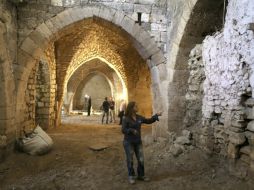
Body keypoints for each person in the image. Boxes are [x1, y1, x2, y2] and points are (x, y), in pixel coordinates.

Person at [122, 101, 162, 184]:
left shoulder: (139, 117)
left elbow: (148, 121)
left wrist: (156, 116)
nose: (138, 107)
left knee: (141, 159)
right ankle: (131, 176)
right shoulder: (126, 118)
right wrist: (131, 130)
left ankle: (141, 175)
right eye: (136, 106)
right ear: (132, 108)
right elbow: (123, 130)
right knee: (130, 160)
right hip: (128, 142)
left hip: (137, 142)